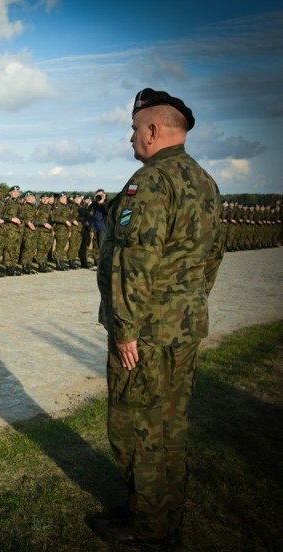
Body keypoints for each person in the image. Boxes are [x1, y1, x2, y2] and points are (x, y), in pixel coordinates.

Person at [89, 88, 224, 549]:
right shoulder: (205, 182)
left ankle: (147, 529)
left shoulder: (150, 182)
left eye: (133, 129)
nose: (131, 138)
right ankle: (166, 517)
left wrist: (126, 329)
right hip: (183, 327)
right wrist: (188, 303)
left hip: (144, 332)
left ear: (152, 129)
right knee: (171, 423)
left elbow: (134, 259)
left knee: (135, 426)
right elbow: (212, 256)